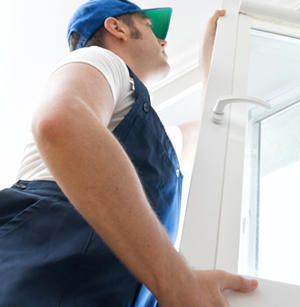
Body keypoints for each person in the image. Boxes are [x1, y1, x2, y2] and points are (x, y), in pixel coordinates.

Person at [0, 0, 258, 306]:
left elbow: (208, 146)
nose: (163, 40)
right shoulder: (100, 60)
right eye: (151, 28)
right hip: (36, 280)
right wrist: (178, 283)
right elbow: (61, 122)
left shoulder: (150, 134)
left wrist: (214, 68)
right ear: (117, 27)